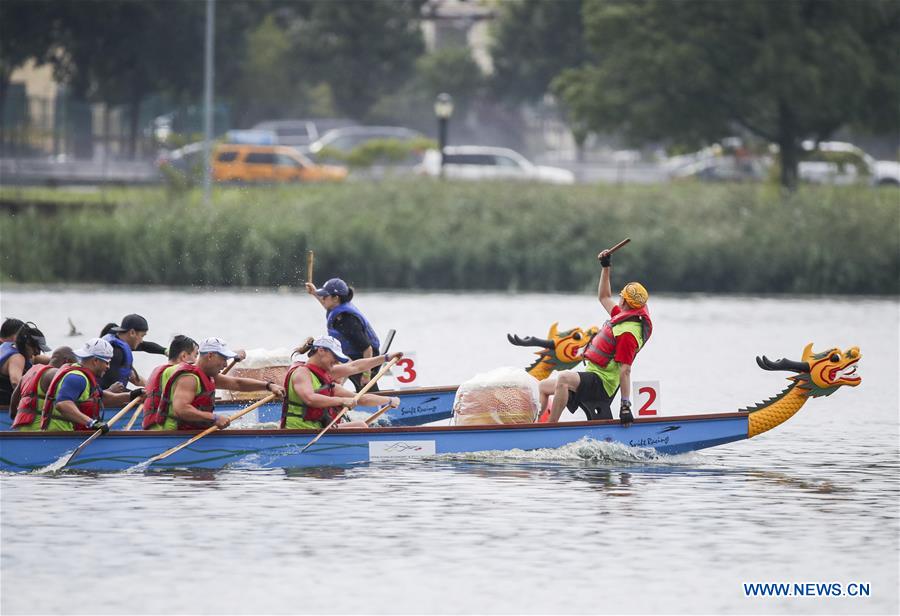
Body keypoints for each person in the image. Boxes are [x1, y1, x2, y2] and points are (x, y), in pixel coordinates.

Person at [537, 249, 652, 426]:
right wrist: (606, 266)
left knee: (564, 378)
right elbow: (604, 296)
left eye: (621, 296)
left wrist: (625, 405)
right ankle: (535, 426)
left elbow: (625, 370)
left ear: (625, 302)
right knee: (543, 387)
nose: (618, 298)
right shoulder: (622, 316)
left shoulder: (628, 334)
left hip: (603, 384)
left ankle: (551, 428)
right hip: (592, 375)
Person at [147, 337, 285, 431]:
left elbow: (237, 384)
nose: (225, 364)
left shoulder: (207, 375)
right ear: (210, 355)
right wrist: (214, 418)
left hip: (190, 433)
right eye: (223, 359)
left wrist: (268, 386)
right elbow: (181, 409)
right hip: (173, 434)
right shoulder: (189, 378)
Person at [281, 336, 400, 430]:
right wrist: (342, 401)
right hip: (300, 431)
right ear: (321, 350)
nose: (337, 361)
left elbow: (355, 367)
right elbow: (310, 399)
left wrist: (386, 358)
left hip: (318, 428)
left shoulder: (325, 373)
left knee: (360, 425)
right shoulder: (302, 373)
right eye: (335, 356)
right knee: (361, 427)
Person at [40, 338, 142, 432]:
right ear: (95, 361)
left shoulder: (85, 377)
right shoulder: (77, 378)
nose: (108, 367)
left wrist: (133, 395)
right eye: (107, 362)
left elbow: (103, 398)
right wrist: (92, 423)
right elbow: (62, 404)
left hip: (71, 434)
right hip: (60, 435)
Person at [305, 278, 382, 391]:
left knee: (366, 388)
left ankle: (374, 403)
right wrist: (314, 293)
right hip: (350, 356)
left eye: (325, 296)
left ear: (336, 298)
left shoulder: (347, 321)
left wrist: (366, 375)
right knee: (334, 377)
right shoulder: (336, 307)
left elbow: (367, 348)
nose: (323, 299)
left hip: (366, 358)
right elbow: (326, 304)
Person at [10, 346, 78, 430]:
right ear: (68, 361)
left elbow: (13, 403)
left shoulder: (30, 373)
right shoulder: (57, 375)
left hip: (24, 431)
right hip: (51, 433)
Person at [139, 335, 199, 430]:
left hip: (151, 428)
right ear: (183, 356)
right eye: (195, 355)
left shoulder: (156, 370)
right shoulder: (175, 372)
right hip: (166, 429)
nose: (196, 361)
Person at [100, 313, 167, 389]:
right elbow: (108, 387)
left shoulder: (120, 340)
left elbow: (145, 346)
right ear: (132, 333)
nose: (141, 341)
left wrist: (166, 351)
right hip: (104, 396)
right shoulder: (116, 353)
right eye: (142, 336)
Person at [0, 323, 51, 405]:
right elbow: (15, 382)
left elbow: (37, 359)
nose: (37, 352)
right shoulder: (17, 357)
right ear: (27, 345)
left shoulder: (8, 346)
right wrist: (30, 402)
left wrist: (61, 360)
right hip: (4, 409)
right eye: (37, 349)